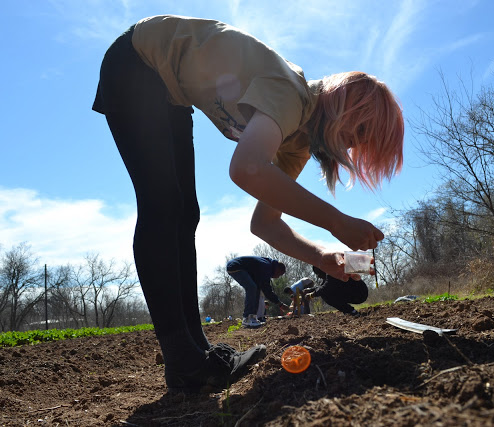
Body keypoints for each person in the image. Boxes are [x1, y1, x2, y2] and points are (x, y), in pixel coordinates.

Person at [92, 15, 403, 393]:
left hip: (169, 93)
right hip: (138, 61)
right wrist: (335, 221)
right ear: (344, 103)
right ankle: (183, 360)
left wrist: (323, 257)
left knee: (184, 213)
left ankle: (196, 356)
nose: (352, 144)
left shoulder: (297, 141)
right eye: (360, 129)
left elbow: (266, 224)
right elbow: (247, 169)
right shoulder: (290, 92)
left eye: (361, 143)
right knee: (164, 206)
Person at [226, 256, 290, 328]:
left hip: (242, 268)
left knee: (256, 289)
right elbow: (267, 291)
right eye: (279, 274)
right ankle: (247, 318)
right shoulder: (266, 267)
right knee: (251, 287)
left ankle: (252, 317)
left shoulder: (269, 265)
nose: (278, 277)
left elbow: (262, 287)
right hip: (236, 266)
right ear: (277, 269)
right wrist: (279, 303)